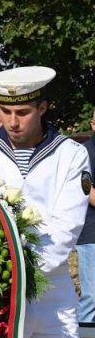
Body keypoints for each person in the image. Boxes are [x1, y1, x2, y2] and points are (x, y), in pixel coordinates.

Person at [0, 66, 91, 338]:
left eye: (22, 112)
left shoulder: (70, 154)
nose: (12, 122)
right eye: (5, 112)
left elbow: (66, 226)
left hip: (51, 294)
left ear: (42, 108)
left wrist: (20, 270)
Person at [77, 109, 95, 322]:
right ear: (93, 124)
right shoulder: (85, 153)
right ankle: (83, 335)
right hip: (92, 235)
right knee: (93, 298)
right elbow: (87, 190)